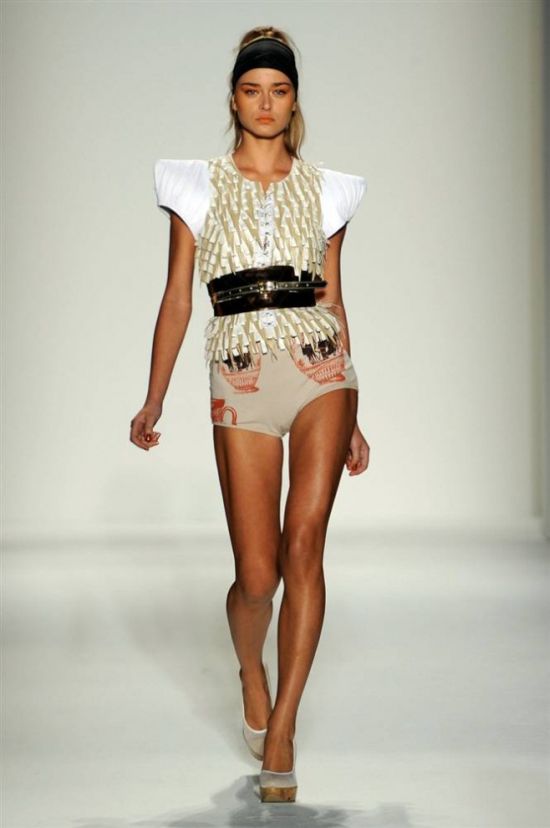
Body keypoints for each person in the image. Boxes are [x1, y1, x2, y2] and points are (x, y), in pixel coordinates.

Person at [130, 25, 370, 804]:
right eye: (251, 90)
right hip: (239, 374)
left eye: (280, 90)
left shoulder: (329, 190)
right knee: (258, 577)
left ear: (295, 100)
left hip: (321, 369)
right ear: (233, 99)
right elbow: (177, 297)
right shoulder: (195, 187)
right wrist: (155, 394)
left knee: (306, 547)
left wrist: (356, 413)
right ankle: (250, 669)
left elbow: (333, 296)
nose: (266, 103)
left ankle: (285, 728)